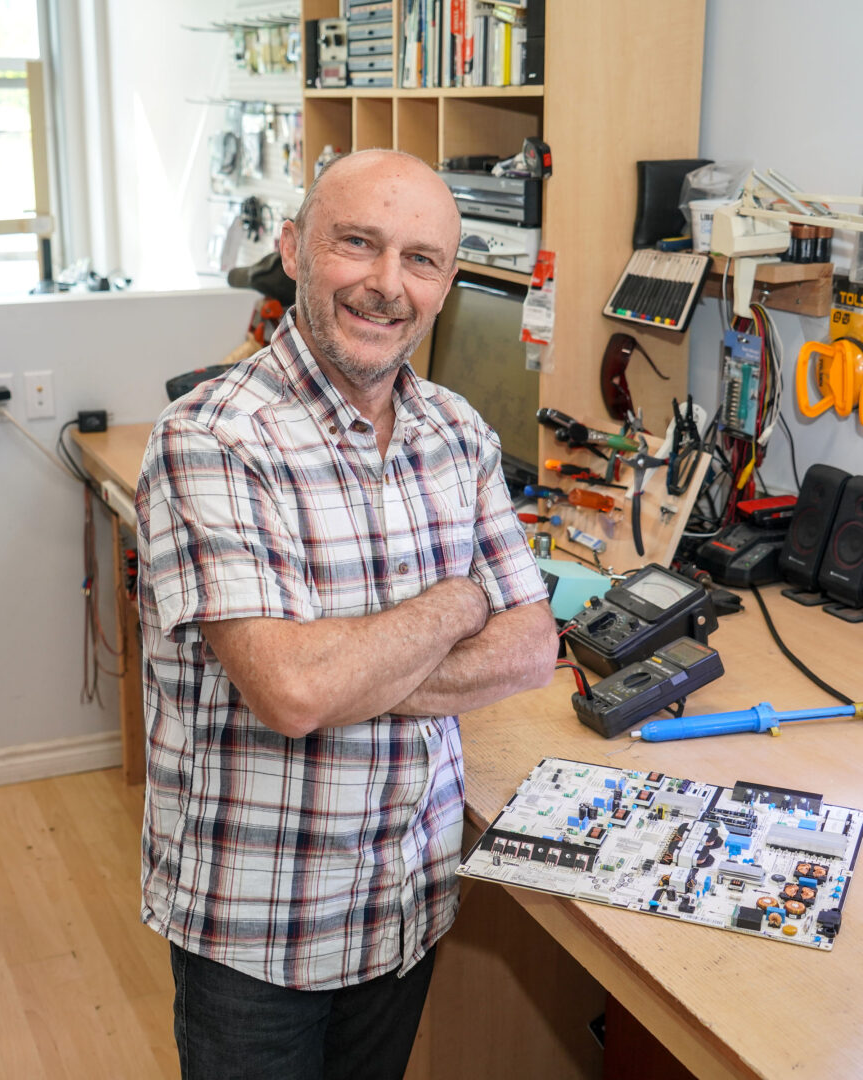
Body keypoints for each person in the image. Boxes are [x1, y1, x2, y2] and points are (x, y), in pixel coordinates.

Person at [136, 148, 559, 1080]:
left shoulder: (458, 433)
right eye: (356, 244)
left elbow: (532, 649)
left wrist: (348, 671)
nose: (385, 285)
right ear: (294, 249)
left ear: (447, 282)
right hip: (259, 931)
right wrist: (457, 602)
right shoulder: (210, 440)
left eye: (420, 259)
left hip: (406, 903)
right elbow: (292, 692)